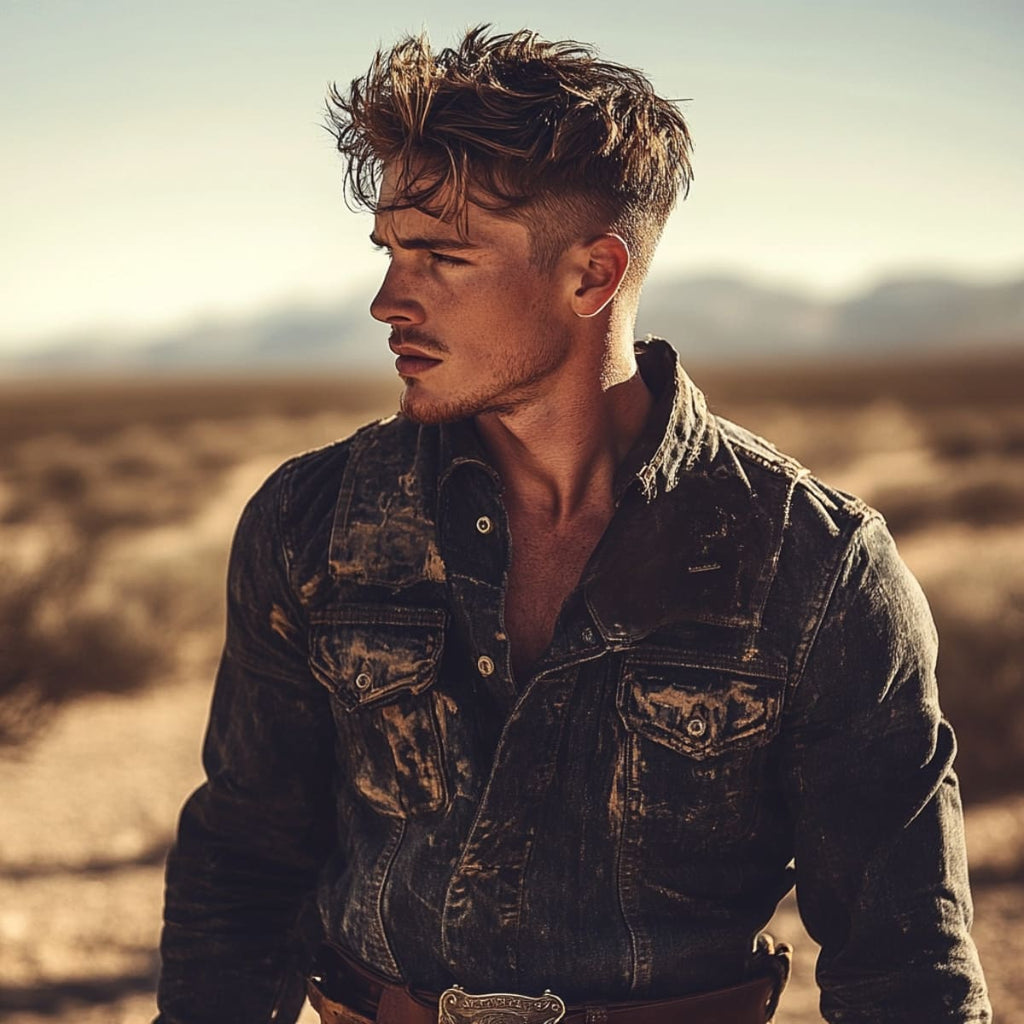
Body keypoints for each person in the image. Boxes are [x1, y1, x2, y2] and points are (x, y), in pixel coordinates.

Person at [155, 26, 991, 1024]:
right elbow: (242, 864)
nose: (386, 300)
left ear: (592, 276)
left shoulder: (813, 566)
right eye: (387, 252)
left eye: (440, 257)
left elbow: (907, 967)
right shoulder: (313, 520)